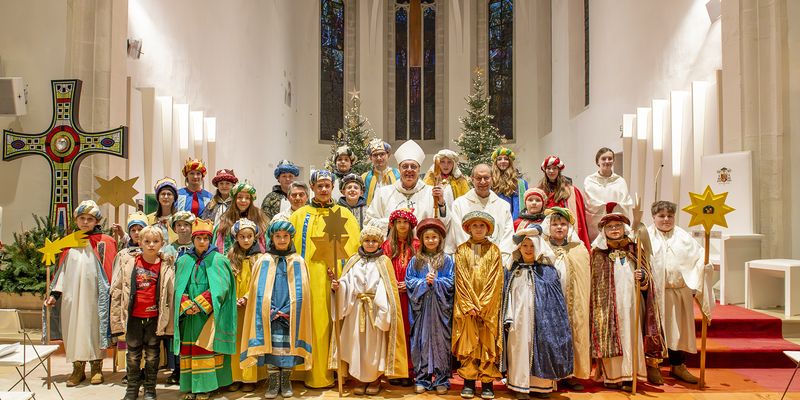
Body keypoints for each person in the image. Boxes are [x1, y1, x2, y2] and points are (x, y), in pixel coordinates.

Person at [289, 169, 361, 388]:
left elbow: (353, 247)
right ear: (312, 188)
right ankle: (308, 372)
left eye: (327, 186)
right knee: (311, 323)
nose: (322, 189)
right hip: (308, 280)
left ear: (332, 188)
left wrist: (341, 271)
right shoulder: (299, 215)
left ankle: (337, 371)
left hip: (335, 281)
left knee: (336, 324)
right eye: (318, 186)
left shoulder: (344, 214)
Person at [44, 200, 117, 387]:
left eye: (90, 219)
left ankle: (96, 367)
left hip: (95, 296)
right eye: (82, 218)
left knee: (94, 329)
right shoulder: (69, 242)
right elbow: (62, 271)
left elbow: (111, 268)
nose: (85, 222)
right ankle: (77, 369)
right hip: (72, 296)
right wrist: (54, 294)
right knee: (74, 329)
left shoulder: (105, 241)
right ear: (76, 220)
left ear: (96, 221)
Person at [329, 225, 408, 396]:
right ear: (362, 241)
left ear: (379, 243)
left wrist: (383, 309)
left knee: (374, 346)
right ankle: (360, 380)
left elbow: (388, 289)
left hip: (375, 309)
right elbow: (347, 282)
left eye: (374, 241)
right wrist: (338, 286)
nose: (370, 244)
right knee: (357, 344)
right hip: (356, 308)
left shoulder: (384, 261)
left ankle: (374, 380)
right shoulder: (353, 260)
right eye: (367, 240)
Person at [590, 213, 664, 391]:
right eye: (609, 227)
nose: (614, 229)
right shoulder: (598, 253)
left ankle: (631, 376)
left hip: (632, 305)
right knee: (611, 336)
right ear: (604, 231)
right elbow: (594, 283)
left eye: (618, 226)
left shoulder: (635, 250)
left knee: (631, 337)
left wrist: (643, 277)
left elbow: (649, 281)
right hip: (608, 306)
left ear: (625, 229)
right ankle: (613, 377)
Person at [239, 220, 313, 399]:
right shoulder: (264, 260)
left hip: (290, 314)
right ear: (272, 238)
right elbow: (258, 290)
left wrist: (288, 309)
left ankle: (286, 380)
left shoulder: (298, 261)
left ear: (290, 238)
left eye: (285, 236)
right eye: (278, 236)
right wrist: (271, 310)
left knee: (288, 348)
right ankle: (273, 382)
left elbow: (302, 290)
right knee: (270, 347)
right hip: (269, 314)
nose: (281, 240)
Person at [647, 201, 715, 384]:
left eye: (670, 215)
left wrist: (704, 265)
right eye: (661, 216)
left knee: (678, 330)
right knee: (656, 331)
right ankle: (653, 366)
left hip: (680, 293)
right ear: (653, 217)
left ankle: (678, 366)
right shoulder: (646, 237)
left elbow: (700, 256)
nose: (666, 219)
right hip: (656, 295)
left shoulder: (684, 237)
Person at [501, 225, 573, 400]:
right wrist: (508, 317)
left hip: (543, 322)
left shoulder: (547, 272)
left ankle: (542, 386)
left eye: (532, 246)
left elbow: (556, 303)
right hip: (517, 321)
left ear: (539, 248)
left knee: (543, 347)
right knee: (519, 348)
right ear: (519, 248)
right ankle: (520, 385)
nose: (528, 249)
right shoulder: (512, 270)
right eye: (524, 246)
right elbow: (506, 296)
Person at [174, 219, 237, 400]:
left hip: (208, 315)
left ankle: (205, 387)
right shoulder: (184, 260)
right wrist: (186, 305)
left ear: (210, 239)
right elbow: (178, 288)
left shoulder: (218, 260)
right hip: (190, 317)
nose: (202, 242)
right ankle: (191, 386)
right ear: (192, 240)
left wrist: (200, 304)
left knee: (206, 349)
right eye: (198, 238)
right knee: (191, 350)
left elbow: (222, 287)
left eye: (205, 238)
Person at [110, 225, 175, 400]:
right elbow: (117, 292)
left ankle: (149, 388)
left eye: (155, 242)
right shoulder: (129, 263)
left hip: (155, 318)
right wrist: (116, 319)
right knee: (132, 355)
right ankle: (131, 388)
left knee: (153, 356)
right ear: (140, 242)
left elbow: (170, 295)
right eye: (147, 241)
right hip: (134, 318)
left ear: (162, 244)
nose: (151, 245)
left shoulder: (166, 265)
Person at [452, 211, 504, 399]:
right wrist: (468, 305)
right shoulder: (461, 250)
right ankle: (469, 383)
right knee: (469, 345)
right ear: (468, 228)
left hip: (488, 309)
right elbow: (461, 278)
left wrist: (483, 305)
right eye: (475, 226)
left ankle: (487, 383)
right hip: (468, 309)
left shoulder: (494, 251)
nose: (478, 229)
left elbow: (495, 280)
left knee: (487, 344)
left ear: (488, 228)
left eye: (482, 225)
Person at [541, 208, 590, 390]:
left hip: (572, 302)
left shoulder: (579, 249)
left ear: (569, 227)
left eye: (563, 224)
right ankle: (551, 374)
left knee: (572, 333)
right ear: (549, 226)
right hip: (549, 304)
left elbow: (584, 279)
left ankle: (570, 374)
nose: (559, 227)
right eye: (555, 224)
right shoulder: (541, 247)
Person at [405, 218, 455, 395]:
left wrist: (438, 282)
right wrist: (423, 283)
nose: (431, 240)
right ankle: (423, 378)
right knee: (421, 341)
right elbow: (409, 281)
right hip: (422, 310)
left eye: (435, 237)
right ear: (422, 240)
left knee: (441, 342)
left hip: (441, 311)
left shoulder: (447, 260)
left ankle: (441, 378)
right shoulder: (415, 261)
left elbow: (452, 281)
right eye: (427, 237)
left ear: (440, 239)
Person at [365, 140, 447, 234]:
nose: (409, 170)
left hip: (421, 247)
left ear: (419, 169)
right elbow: (369, 222)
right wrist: (389, 223)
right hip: (391, 247)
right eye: (405, 166)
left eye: (413, 166)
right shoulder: (383, 193)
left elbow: (443, 224)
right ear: (399, 169)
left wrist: (441, 203)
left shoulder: (430, 193)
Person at [225, 218, 267, 392]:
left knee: (250, 339)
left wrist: (247, 297)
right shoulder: (229, 257)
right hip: (234, 306)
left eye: (249, 236)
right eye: (242, 236)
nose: (246, 240)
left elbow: (262, 281)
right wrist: (232, 298)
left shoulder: (260, 258)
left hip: (252, 305)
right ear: (236, 237)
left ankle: (250, 378)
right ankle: (235, 376)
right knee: (235, 341)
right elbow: (225, 280)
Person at [380, 208, 420, 386]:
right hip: (392, 296)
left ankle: (409, 371)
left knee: (410, 331)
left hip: (412, 297)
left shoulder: (418, 246)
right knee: (394, 331)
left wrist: (409, 284)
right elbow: (380, 269)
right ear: (393, 224)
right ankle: (395, 370)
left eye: (405, 222)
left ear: (411, 225)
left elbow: (423, 269)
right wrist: (392, 284)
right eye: (399, 222)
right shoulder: (386, 246)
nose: (402, 225)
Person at [447, 164, 515, 268]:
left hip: (496, 265)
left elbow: (508, 236)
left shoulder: (503, 206)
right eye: (478, 178)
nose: (483, 182)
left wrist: (499, 260)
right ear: (472, 180)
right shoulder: (460, 204)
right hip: (468, 264)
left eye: (486, 178)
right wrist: (472, 260)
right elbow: (459, 235)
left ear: (492, 179)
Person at [109, 211, 149, 382]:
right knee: (129, 340)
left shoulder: (151, 252)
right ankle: (132, 371)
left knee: (147, 340)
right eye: (133, 229)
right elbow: (116, 278)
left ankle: (146, 370)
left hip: (145, 301)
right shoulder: (123, 254)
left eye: (141, 229)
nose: (137, 233)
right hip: (127, 301)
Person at [160, 210, 196, 385]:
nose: (182, 228)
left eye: (186, 225)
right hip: (173, 295)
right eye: (179, 225)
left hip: (191, 294)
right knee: (174, 332)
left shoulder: (196, 247)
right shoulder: (168, 249)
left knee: (189, 331)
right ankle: (176, 369)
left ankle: (190, 367)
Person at [538, 156, 591, 251]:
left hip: (565, 232)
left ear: (559, 170)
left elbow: (579, 219)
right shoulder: (540, 191)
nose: (551, 171)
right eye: (548, 168)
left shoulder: (571, 191)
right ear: (544, 170)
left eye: (554, 168)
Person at [583, 148, 633, 242]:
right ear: (598, 161)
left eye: (610, 159)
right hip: (597, 223)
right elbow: (591, 203)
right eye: (603, 159)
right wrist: (608, 208)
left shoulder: (620, 181)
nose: (607, 161)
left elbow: (625, 202)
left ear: (614, 160)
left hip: (616, 222)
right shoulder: (590, 180)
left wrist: (613, 208)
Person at [214, 180, 269, 255]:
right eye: (240, 197)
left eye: (247, 198)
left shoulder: (260, 221)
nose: (243, 201)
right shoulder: (225, 223)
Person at [491, 148, 528, 220]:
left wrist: (514, 225)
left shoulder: (519, 183)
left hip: (511, 221)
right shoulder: (491, 181)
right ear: (495, 162)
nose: (503, 161)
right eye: (499, 159)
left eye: (506, 159)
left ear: (510, 161)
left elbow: (519, 207)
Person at [361, 138, 400, 205]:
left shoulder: (398, 174)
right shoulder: (365, 177)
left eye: (382, 154)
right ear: (370, 158)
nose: (379, 158)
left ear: (389, 155)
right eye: (375, 155)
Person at [149, 177, 179, 243]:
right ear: (158, 197)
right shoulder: (149, 219)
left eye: (169, 194)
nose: (166, 197)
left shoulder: (180, 219)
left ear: (174, 198)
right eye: (163, 194)